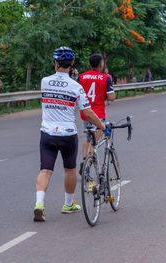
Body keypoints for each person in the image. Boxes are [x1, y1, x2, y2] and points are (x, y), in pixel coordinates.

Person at [33, 47, 111, 222]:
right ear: (72, 64)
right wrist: (102, 126)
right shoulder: (76, 86)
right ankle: (68, 204)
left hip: (47, 133)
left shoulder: (44, 81)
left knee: (45, 170)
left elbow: (58, 82)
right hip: (67, 134)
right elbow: (88, 112)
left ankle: (39, 204)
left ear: (55, 63)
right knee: (70, 169)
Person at [78, 54, 115, 175]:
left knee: (88, 138)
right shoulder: (106, 78)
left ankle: (85, 160)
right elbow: (111, 97)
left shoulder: (81, 77)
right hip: (98, 114)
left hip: (85, 113)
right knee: (94, 143)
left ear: (90, 64)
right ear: (101, 65)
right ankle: (87, 167)